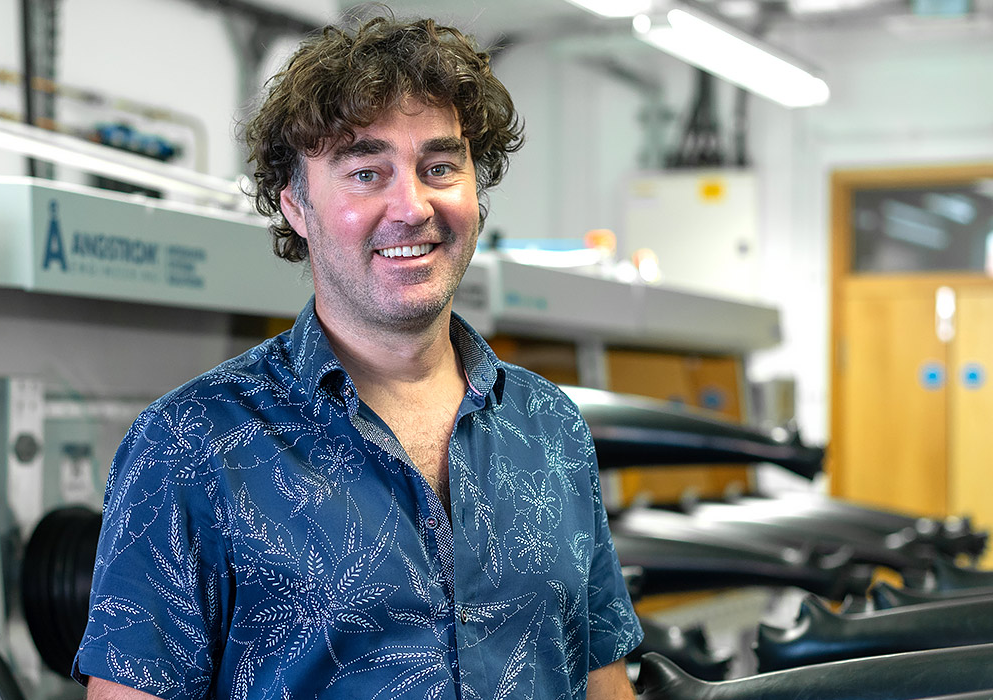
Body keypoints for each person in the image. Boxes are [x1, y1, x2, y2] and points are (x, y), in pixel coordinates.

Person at [71, 13, 641, 700]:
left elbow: (600, 681)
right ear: (296, 208)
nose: (412, 205)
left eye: (440, 166)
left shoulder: (550, 428)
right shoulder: (191, 447)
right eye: (367, 172)